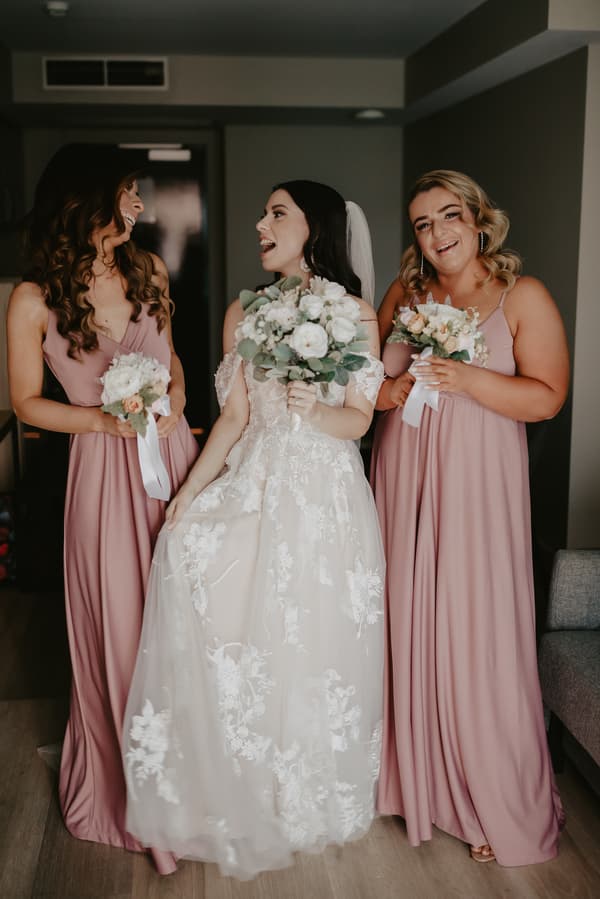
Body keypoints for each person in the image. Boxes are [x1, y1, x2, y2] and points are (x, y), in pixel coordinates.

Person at [122, 180, 385, 878]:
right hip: (258, 477)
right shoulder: (244, 311)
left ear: (313, 228)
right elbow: (236, 417)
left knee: (311, 638)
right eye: (263, 214)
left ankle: (297, 791)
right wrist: (188, 494)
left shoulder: (355, 314)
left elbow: (360, 419)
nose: (260, 224)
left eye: (276, 214)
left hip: (326, 492)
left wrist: (315, 409)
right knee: (213, 583)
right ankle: (229, 779)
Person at [7, 144, 198, 874]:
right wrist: (101, 421)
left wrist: (176, 398)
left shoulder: (147, 271)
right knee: (119, 624)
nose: (138, 207)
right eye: (125, 193)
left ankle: (189, 781)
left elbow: (172, 359)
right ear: (83, 201)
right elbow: (27, 403)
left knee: (182, 619)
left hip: (170, 458)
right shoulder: (33, 299)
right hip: (102, 469)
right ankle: (133, 794)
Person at [371, 169, 569, 866]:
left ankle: (488, 795)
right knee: (406, 618)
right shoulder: (405, 292)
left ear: (479, 220)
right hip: (403, 473)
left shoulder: (522, 295)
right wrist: (392, 389)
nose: (437, 233)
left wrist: (467, 377)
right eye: (423, 223)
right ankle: (413, 784)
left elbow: (547, 397)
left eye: (449, 215)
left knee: (475, 625)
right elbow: (367, 385)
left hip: (479, 484)